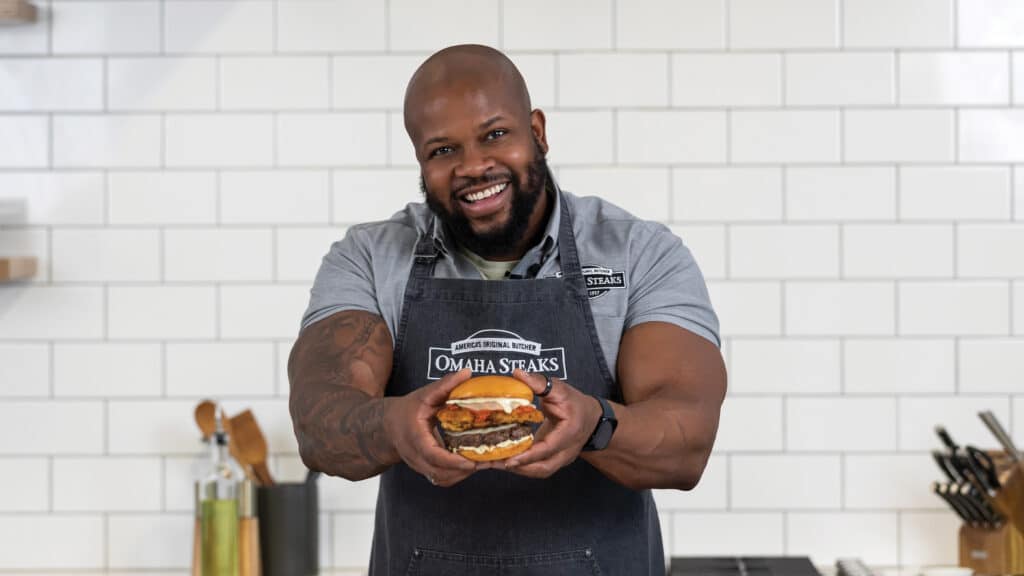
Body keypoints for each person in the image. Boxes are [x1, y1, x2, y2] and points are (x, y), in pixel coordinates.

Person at [288, 44, 726, 575]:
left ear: (537, 131)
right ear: (420, 162)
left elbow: (688, 443)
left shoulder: (638, 254)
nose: (473, 166)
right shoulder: (369, 259)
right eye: (442, 150)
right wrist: (394, 425)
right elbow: (317, 421)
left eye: (495, 134)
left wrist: (594, 424)